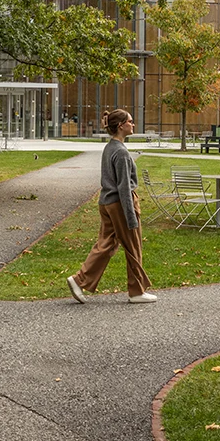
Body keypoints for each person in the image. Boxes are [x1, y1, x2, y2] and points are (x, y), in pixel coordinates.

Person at [66, 108, 157, 305]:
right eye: (130, 121)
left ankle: (78, 280)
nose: (133, 124)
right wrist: (131, 216)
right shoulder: (121, 153)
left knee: (105, 244)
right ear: (121, 125)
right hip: (120, 204)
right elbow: (124, 187)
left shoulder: (110, 147)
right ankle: (136, 291)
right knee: (133, 247)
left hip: (106, 202)